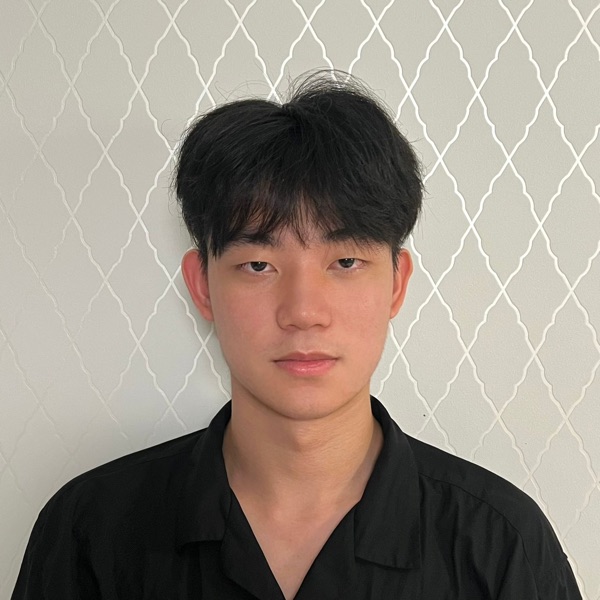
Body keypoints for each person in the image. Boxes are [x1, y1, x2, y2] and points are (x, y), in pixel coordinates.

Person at [12, 72, 581, 600]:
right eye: (259, 265)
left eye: (346, 262)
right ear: (202, 286)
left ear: (396, 283)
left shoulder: (501, 546)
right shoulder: (91, 533)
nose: (304, 312)